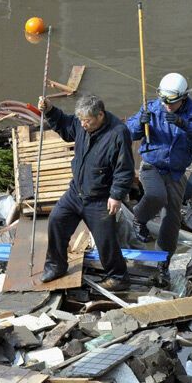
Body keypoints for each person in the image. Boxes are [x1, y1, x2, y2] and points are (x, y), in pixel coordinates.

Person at [39, 94, 135, 292]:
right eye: (81, 120)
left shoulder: (118, 133)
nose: (83, 125)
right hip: (77, 191)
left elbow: (124, 168)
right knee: (56, 220)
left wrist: (116, 195)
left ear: (100, 115)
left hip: (100, 198)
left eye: (87, 121)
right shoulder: (81, 124)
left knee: (105, 240)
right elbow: (66, 126)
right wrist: (49, 110)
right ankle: (56, 266)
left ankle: (118, 278)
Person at [125, 73, 192, 262]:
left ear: (184, 97)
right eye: (164, 101)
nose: (167, 106)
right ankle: (139, 218)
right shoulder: (152, 108)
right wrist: (140, 123)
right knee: (156, 195)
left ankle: (162, 261)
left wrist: (183, 124)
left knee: (172, 218)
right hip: (152, 165)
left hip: (176, 171)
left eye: (172, 102)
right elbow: (129, 132)